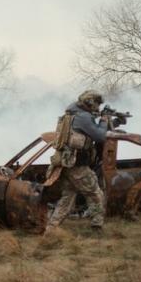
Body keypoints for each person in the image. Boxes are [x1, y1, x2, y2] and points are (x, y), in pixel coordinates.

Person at [44, 90, 113, 236]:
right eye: (97, 104)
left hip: (66, 164)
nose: (98, 108)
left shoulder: (71, 114)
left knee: (67, 198)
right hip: (77, 166)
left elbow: (92, 131)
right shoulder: (83, 117)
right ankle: (97, 227)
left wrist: (112, 121)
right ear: (90, 102)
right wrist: (104, 120)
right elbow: (100, 136)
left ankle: (51, 230)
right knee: (96, 194)